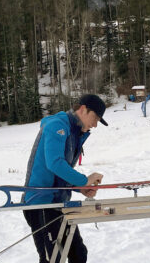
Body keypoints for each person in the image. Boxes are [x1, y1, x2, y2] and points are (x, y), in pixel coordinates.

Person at [22, 94, 108, 263]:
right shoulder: (57, 125)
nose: (95, 125)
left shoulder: (75, 133)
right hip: (40, 203)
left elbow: (60, 175)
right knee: (53, 258)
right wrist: (84, 180)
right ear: (83, 109)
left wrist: (80, 188)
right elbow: (54, 163)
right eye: (95, 118)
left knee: (78, 253)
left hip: (59, 204)